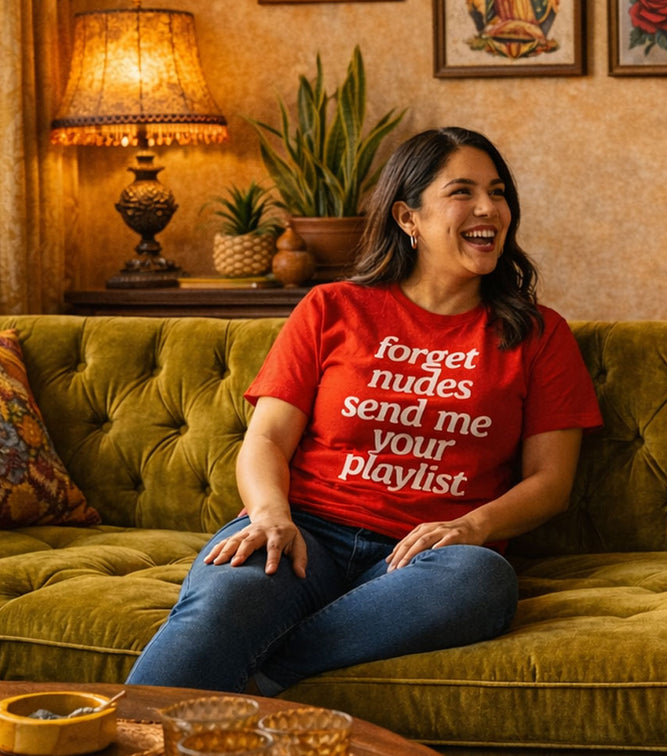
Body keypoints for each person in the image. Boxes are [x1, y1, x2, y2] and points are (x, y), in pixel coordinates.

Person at [126, 127, 602, 695]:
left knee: (482, 581)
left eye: (498, 193)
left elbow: (550, 482)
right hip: (303, 531)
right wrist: (269, 514)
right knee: (226, 596)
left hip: (429, 557)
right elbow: (267, 439)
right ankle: (116, 730)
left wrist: (471, 526)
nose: (489, 208)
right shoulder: (332, 307)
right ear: (408, 218)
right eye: (463, 191)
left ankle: (267, 675)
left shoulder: (538, 334)